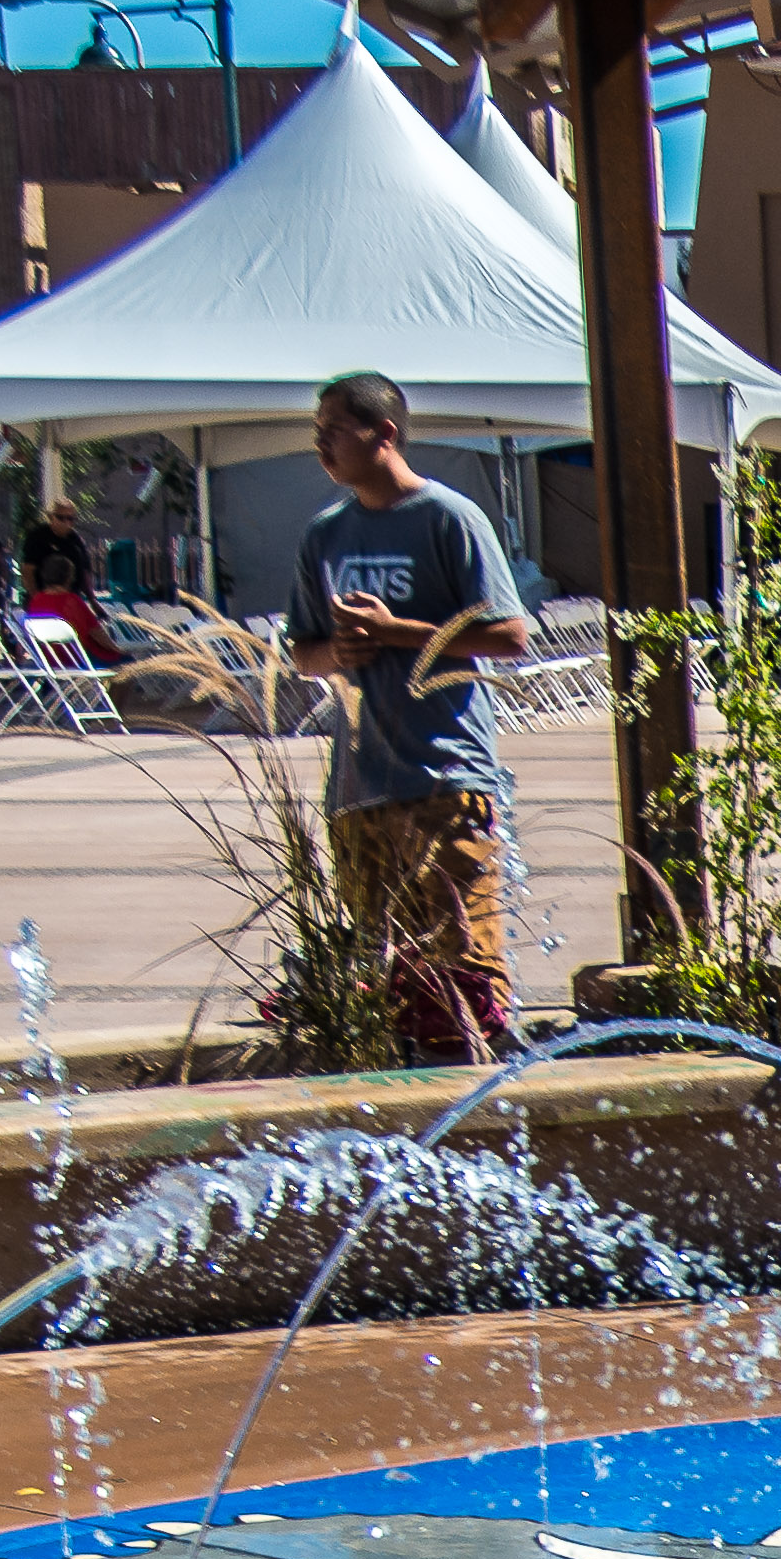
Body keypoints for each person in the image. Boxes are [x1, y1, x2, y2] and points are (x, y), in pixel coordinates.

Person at [274, 368, 532, 1063]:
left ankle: (484, 1107)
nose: (321, 445)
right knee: (388, 972)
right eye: (316, 432)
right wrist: (340, 648)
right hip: (361, 784)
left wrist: (398, 632)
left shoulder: (449, 518)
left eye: (333, 430)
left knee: (464, 967)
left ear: (383, 433)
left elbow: (510, 636)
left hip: (447, 775)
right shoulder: (323, 535)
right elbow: (303, 654)